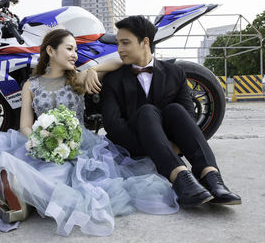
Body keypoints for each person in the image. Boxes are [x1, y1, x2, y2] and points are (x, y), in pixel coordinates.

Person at [0, 29, 179, 237]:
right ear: (50, 51)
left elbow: (120, 60)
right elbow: (25, 123)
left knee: (62, 178)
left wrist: (92, 69)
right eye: (70, 49)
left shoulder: (79, 76)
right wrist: (37, 139)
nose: (75, 54)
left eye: (76, 49)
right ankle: (11, 195)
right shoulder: (30, 85)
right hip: (39, 142)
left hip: (78, 145)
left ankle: (14, 199)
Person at [91, 16, 241, 208]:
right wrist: (156, 146)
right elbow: (113, 126)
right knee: (146, 111)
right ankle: (180, 177)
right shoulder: (114, 79)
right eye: (118, 43)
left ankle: (211, 176)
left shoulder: (175, 73)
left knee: (176, 110)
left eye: (125, 43)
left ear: (145, 42)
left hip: (171, 141)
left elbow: (188, 116)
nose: (119, 49)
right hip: (135, 145)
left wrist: (173, 144)